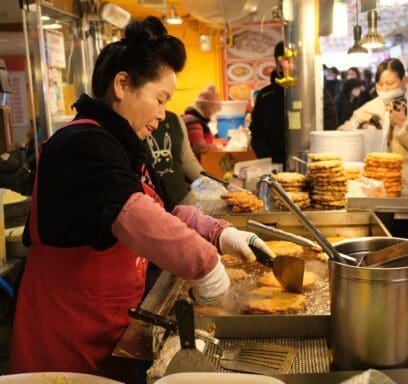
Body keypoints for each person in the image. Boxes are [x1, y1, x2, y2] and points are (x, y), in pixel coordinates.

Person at [10, 17, 274, 382]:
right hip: (66, 340)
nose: (162, 113)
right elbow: (135, 216)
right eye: (159, 98)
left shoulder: (123, 143)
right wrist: (205, 263)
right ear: (122, 84)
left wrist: (219, 233)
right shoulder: (80, 145)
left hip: (110, 324)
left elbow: (162, 209)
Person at [338, 58, 408, 186]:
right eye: (380, 84)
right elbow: (342, 134)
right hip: (372, 185)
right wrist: (362, 128)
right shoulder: (367, 110)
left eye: (390, 83)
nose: (384, 89)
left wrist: (404, 124)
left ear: (403, 82)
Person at [250, 42, 338, 164]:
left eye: (290, 61)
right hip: (275, 165)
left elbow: (330, 124)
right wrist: (267, 160)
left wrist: (322, 157)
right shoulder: (265, 95)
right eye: (281, 61)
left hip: (314, 162)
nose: (285, 66)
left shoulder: (316, 92)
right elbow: (257, 132)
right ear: (276, 63)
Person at [146, 110, 203, 211]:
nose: (162, 115)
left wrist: (210, 181)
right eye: (159, 99)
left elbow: (187, 159)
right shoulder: (137, 121)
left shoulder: (175, 120)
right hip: (151, 206)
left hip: (180, 201)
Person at [182, 84, 221, 160]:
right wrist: (216, 147)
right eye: (214, 111)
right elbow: (200, 148)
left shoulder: (187, 117)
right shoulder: (194, 123)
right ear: (209, 109)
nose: (213, 114)